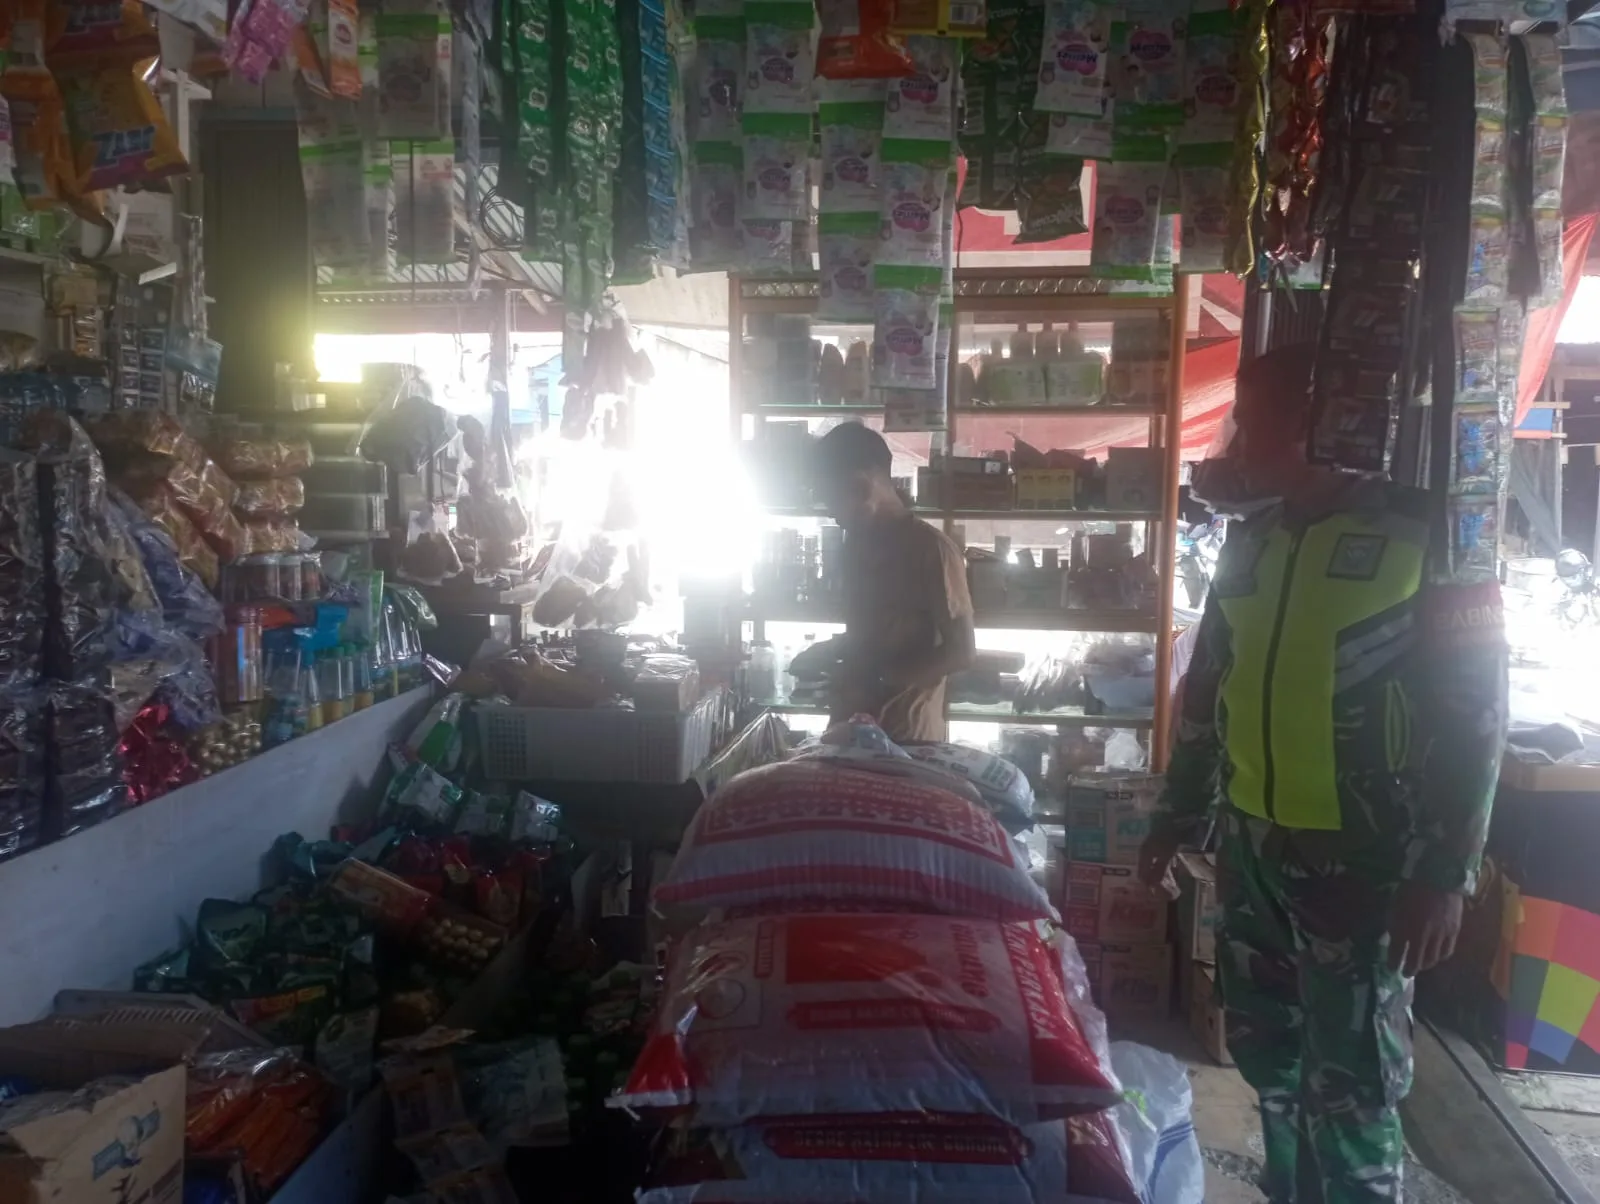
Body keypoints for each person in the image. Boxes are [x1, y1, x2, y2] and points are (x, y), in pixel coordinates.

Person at [1137, 346, 1509, 1204]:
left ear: (1314, 425)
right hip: (1254, 849)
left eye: (1251, 423)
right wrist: (1176, 818)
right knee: (1269, 1056)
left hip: (1367, 862)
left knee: (1354, 1080)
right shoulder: (1251, 540)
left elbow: (1476, 717)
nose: (1237, 442)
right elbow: (1209, 692)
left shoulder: (1432, 538)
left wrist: (1444, 874)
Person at [810, 422, 976, 742]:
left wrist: (879, 680)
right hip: (850, 727)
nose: (830, 513)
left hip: (907, 739)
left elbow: (962, 652)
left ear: (861, 486)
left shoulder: (932, 549)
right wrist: (833, 652)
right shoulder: (854, 543)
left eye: (831, 499)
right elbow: (876, 631)